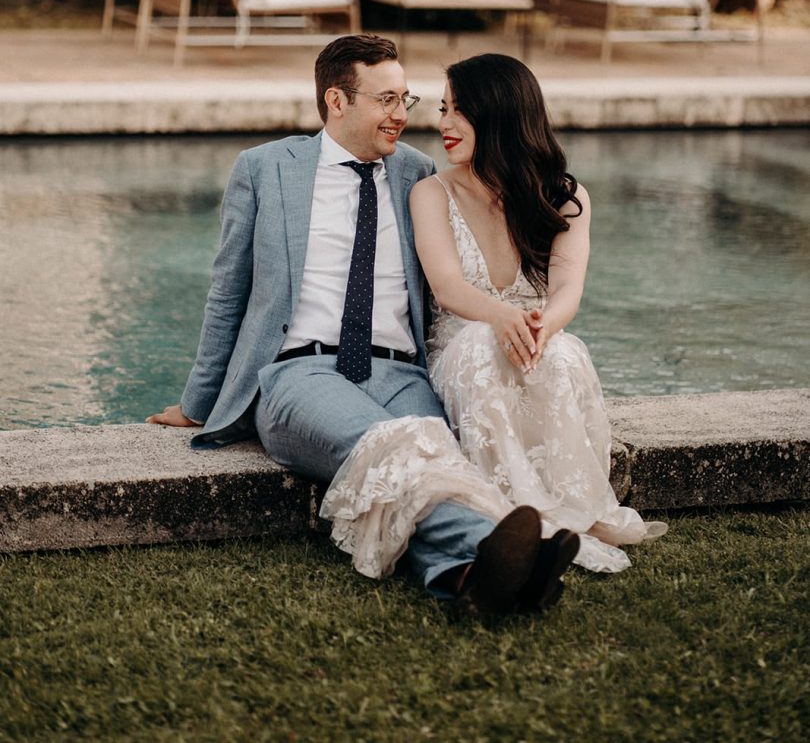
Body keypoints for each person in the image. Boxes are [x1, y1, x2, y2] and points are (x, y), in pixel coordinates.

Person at [147, 34, 580, 618]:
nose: (403, 115)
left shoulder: (422, 175)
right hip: (300, 372)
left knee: (437, 454)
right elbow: (228, 292)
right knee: (397, 444)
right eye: (386, 100)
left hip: (401, 372)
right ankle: (499, 543)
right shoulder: (265, 169)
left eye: (407, 98)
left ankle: (471, 576)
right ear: (337, 101)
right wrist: (199, 402)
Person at [409, 53, 666, 573]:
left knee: (566, 353)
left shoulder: (565, 198)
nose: (444, 124)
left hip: (536, 336)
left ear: (500, 114)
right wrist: (502, 320)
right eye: (443, 108)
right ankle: (515, 516)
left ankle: (573, 508)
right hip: (462, 339)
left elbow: (568, 288)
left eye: (460, 110)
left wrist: (545, 325)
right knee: (484, 348)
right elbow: (447, 287)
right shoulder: (431, 192)